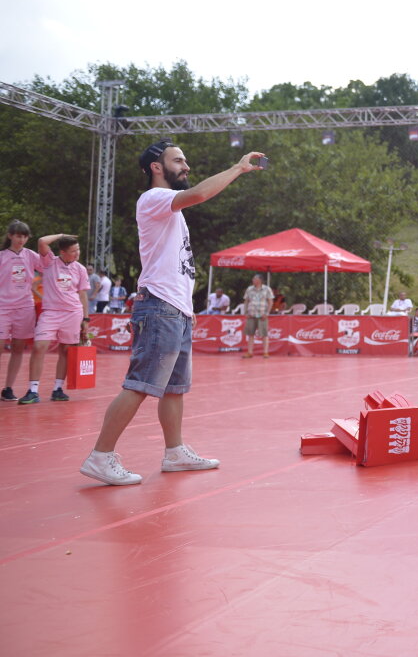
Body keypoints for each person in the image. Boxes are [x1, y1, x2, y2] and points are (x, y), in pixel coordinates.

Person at [79, 139, 265, 486]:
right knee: (140, 385)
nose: (186, 166)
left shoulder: (170, 210)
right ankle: (100, 456)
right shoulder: (154, 198)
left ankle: (174, 452)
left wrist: (187, 309)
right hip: (160, 306)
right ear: (156, 167)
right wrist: (238, 168)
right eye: (179, 160)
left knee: (174, 389)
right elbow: (198, 194)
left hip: (176, 308)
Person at [19, 234, 90, 404]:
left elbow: (83, 295)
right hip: (51, 313)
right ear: (62, 252)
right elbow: (42, 241)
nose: (77, 253)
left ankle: (58, 389)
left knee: (65, 351)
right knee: (39, 346)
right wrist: (62, 235)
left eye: (78, 249)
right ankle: (33, 390)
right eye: (73, 251)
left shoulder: (80, 269)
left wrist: (86, 320)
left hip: (73, 313)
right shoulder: (49, 262)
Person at [1, 220, 40, 401]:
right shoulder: (2, 256)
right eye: (18, 236)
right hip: (3, 307)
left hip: (24, 307)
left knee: (18, 348)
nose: (21, 239)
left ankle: (8, 388)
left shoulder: (31, 256)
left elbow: (51, 268)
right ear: (10, 236)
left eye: (24, 236)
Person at [242, 273, 273, 358]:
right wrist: (245, 312)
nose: (253, 280)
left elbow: (270, 302)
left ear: (259, 280)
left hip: (262, 314)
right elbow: (246, 301)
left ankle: (265, 352)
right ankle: (250, 352)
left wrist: (267, 313)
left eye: (254, 279)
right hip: (251, 314)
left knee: (264, 334)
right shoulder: (249, 289)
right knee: (250, 334)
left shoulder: (267, 289)